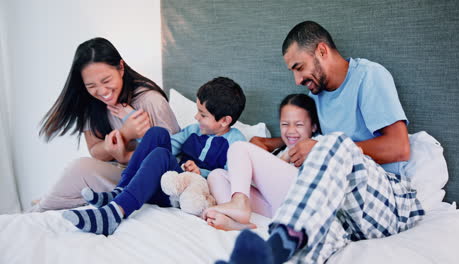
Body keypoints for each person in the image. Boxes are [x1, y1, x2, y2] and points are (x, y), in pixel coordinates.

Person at [218, 21, 424, 264]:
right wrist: (271, 144)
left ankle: (284, 235)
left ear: (322, 51)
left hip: (386, 204)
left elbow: (400, 148)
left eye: (299, 67)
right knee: (311, 237)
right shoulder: (316, 97)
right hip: (343, 210)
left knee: (334, 142)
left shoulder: (369, 76)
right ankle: (272, 252)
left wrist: (322, 148)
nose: (296, 79)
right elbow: (308, 140)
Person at [62, 76, 247, 236]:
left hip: (190, 194)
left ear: (225, 120)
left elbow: (232, 178)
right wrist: (131, 119)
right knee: (158, 133)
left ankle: (115, 212)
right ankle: (121, 191)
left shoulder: (236, 142)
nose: (196, 117)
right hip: (171, 182)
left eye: (203, 114)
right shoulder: (193, 130)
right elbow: (163, 146)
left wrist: (202, 172)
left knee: (161, 155)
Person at [31, 37, 180, 212]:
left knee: (78, 170)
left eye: (106, 80)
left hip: (152, 179)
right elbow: (95, 151)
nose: (101, 91)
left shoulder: (151, 101)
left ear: (121, 68)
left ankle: (37, 211)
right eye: (91, 85)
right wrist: (125, 133)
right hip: (119, 174)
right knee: (79, 170)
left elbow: (173, 155)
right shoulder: (91, 103)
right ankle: (39, 211)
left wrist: (125, 156)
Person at [203, 94, 320, 231]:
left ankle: (239, 204)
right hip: (276, 208)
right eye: (285, 124)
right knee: (216, 176)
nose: (291, 131)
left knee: (239, 147)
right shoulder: (281, 150)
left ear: (313, 127)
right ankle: (237, 222)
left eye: (299, 124)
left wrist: (289, 155)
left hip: (303, 201)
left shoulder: (321, 145)